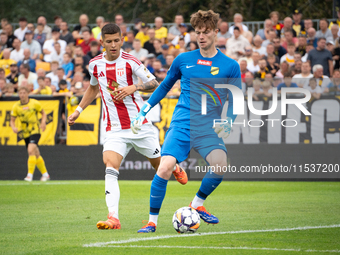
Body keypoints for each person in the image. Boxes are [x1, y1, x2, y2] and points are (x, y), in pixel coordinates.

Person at [67, 23, 187, 230]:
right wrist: (78, 110)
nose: (113, 45)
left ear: (122, 40)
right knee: (110, 166)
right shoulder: (95, 64)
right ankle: (113, 218)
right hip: (114, 128)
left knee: (161, 167)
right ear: (102, 43)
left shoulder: (131, 61)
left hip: (139, 125)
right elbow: (93, 88)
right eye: (109, 41)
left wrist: (134, 86)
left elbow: (154, 83)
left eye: (117, 40)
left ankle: (174, 167)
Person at [131, 10, 241, 233]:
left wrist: (229, 121)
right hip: (182, 123)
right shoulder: (183, 60)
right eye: (197, 32)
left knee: (220, 165)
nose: (201, 36)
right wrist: (145, 108)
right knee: (165, 168)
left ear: (216, 32)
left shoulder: (230, 66)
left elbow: (236, 99)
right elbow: (164, 86)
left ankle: (197, 205)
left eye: (206, 32)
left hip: (209, 128)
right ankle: (151, 222)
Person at [10, 86, 50, 182]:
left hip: (35, 130)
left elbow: (43, 113)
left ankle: (29, 175)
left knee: (30, 150)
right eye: (20, 93)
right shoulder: (16, 106)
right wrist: (13, 127)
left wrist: (43, 122)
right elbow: (12, 120)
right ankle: (45, 174)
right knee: (36, 154)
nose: (22, 95)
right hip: (25, 132)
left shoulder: (34, 103)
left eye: (24, 93)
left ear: (27, 93)